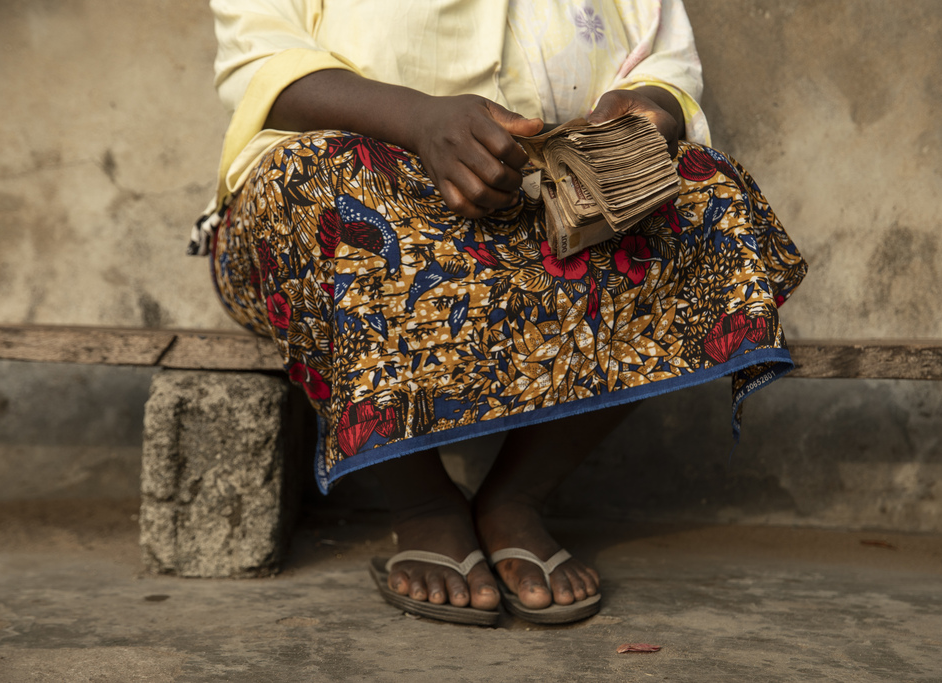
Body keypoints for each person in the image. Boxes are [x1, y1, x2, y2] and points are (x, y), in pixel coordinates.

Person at [192, 0, 807, 625]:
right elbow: (261, 62)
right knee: (317, 186)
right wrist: (421, 121)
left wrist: (649, 112)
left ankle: (516, 496)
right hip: (342, 212)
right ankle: (421, 502)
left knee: (703, 196)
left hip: (549, 210)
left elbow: (667, 63)